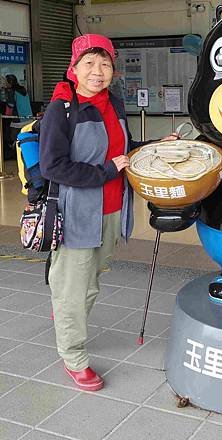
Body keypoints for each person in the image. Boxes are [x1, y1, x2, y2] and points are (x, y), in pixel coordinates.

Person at [39, 34, 177, 392]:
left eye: (105, 64)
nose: (97, 72)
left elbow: (123, 150)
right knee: (74, 286)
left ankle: (67, 313)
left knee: (90, 278)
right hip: (77, 212)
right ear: (74, 68)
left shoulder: (112, 103)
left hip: (113, 209)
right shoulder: (62, 108)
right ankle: (73, 356)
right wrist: (104, 172)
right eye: (89, 64)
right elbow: (53, 166)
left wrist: (153, 147)